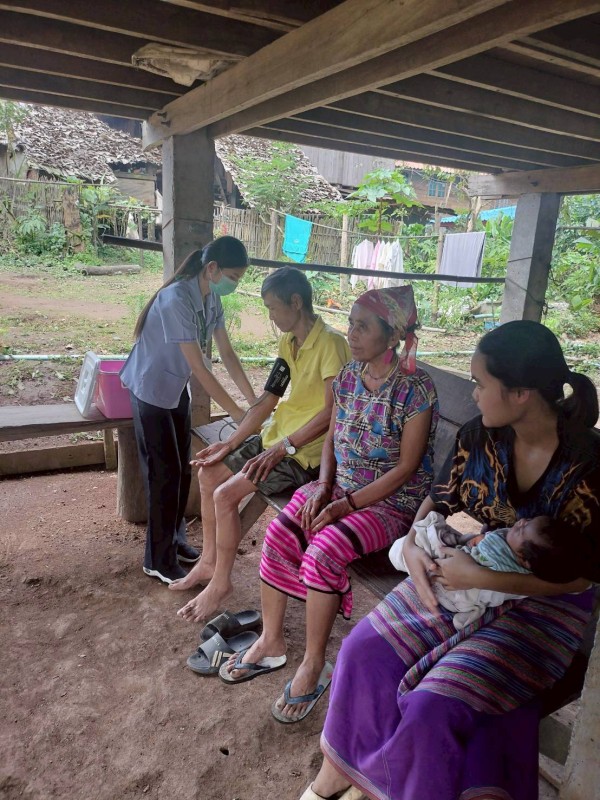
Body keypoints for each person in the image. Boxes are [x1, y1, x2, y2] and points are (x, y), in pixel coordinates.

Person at [304, 319, 600, 800]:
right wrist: (415, 548)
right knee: (363, 651)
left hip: (544, 606)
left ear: (521, 393)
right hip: (468, 575)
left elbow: (582, 577)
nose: (475, 394)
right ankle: (339, 773)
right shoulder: (479, 437)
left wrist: (483, 576)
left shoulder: (588, 464)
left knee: (432, 707)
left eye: (482, 384)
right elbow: (438, 502)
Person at [220, 286, 439, 726]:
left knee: (323, 549)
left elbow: (407, 467)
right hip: (339, 489)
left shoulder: (415, 389)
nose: (352, 334)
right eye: (351, 323)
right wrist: (323, 486)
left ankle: (314, 662)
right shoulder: (348, 377)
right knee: (284, 529)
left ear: (392, 334)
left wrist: (347, 504)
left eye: (362, 326)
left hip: (390, 504)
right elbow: (334, 440)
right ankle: (272, 641)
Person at [169, 267, 351, 622]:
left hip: (304, 455)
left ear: (296, 302)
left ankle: (221, 583)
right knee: (208, 475)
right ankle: (208, 562)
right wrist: (232, 442)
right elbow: (269, 397)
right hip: (275, 439)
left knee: (224, 495)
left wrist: (284, 448)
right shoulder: (289, 342)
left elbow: (332, 413)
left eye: (272, 308)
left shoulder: (331, 344)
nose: (270, 316)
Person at [121, 236, 256, 585]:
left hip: (173, 388)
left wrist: (253, 400)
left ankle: (176, 539)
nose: (235, 284)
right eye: (234, 277)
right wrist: (239, 415)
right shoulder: (176, 299)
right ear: (212, 269)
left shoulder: (211, 300)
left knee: (181, 471)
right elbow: (200, 368)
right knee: (162, 475)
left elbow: (227, 353)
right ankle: (157, 558)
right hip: (150, 388)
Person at [390, 510, 592, 629]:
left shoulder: (506, 562)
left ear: (523, 559)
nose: (521, 522)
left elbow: (478, 556)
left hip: (451, 580)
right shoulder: (525, 566)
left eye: (522, 529)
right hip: (460, 597)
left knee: (409, 543)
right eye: (528, 520)